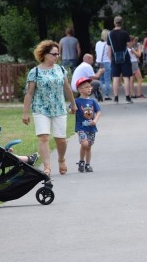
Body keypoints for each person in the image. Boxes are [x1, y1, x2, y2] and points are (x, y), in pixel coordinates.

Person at [21, 40, 77, 176]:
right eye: (54, 54)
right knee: (44, 138)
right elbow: (29, 93)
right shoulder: (35, 72)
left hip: (58, 108)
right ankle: (47, 167)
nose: (57, 56)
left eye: (58, 54)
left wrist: (73, 104)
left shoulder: (61, 69)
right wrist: (25, 112)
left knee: (61, 139)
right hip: (41, 108)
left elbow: (67, 88)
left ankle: (61, 159)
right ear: (45, 54)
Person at [74, 77, 101, 173]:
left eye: (90, 87)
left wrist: (95, 120)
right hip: (81, 127)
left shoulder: (93, 101)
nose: (89, 88)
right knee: (84, 144)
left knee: (88, 146)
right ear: (80, 90)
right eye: (86, 87)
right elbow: (71, 110)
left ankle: (87, 164)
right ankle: (81, 161)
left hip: (91, 128)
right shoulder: (76, 101)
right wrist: (72, 110)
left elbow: (98, 112)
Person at [108, 15, 134, 103]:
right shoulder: (125, 33)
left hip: (114, 57)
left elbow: (109, 49)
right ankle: (127, 97)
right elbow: (129, 46)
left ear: (114, 23)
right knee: (126, 77)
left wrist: (110, 58)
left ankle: (116, 98)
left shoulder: (110, 34)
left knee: (115, 77)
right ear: (122, 23)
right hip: (125, 56)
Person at [95, 29, 112, 98]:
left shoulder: (97, 43)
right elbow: (109, 54)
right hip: (106, 62)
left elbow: (96, 53)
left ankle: (100, 92)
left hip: (99, 62)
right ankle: (107, 95)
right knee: (107, 79)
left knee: (100, 79)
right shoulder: (108, 44)